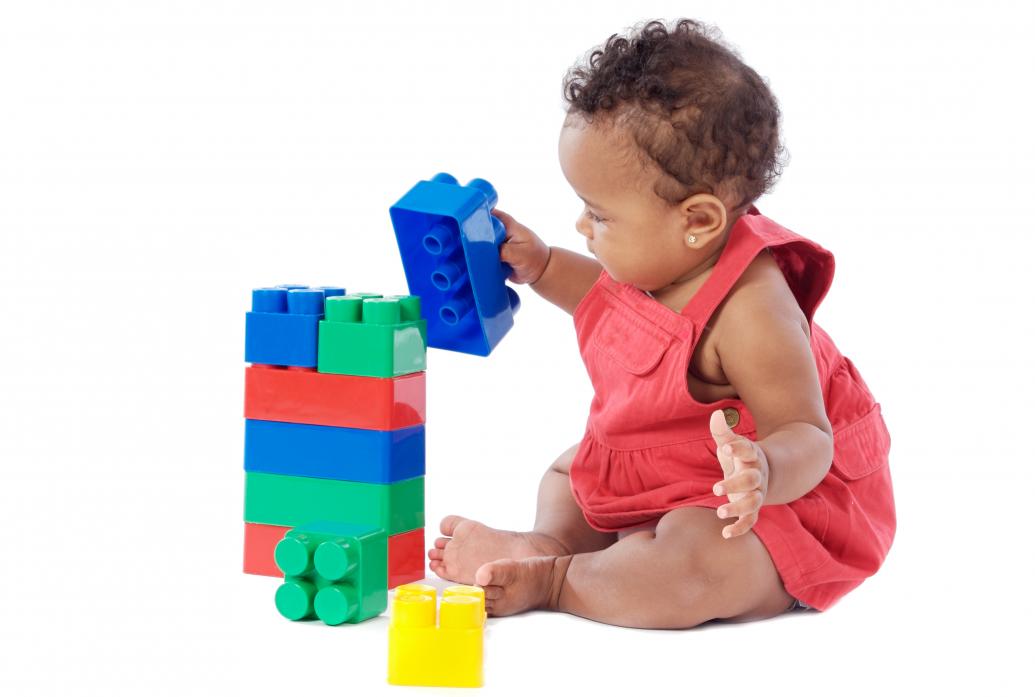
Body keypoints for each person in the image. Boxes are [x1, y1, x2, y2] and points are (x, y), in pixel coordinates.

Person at [428, 19, 895, 629]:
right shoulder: (662, 253)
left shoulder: (753, 311)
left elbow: (807, 431)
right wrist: (539, 264)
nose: (582, 228)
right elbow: (601, 293)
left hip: (774, 500)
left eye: (599, 215)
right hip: (677, 464)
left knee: (690, 567)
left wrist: (766, 471)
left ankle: (560, 578)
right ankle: (550, 540)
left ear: (696, 219)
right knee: (570, 474)